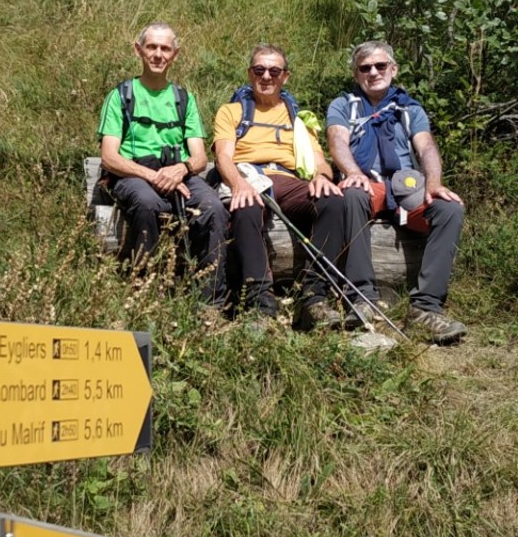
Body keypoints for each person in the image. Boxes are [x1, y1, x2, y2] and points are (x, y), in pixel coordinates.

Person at [326, 41, 466, 343]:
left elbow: (426, 146)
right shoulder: (344, 105)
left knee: (449, 209)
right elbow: (337, 140)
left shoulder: (409, 108)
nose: (373, 72)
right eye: (365, 68)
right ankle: (361, 296)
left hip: (406, 186)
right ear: (356, 74)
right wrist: (353, 173)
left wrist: (434, 183)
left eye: (380, 66)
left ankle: (426, 307)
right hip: (368, 183)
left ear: (393, 69)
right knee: (351, 195)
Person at [213, 43, 345, 330]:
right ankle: (260, 303)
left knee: (334, 201)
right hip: (248, 175)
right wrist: (238, 184)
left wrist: (323, 178)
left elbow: (320, 162)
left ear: (285, 76)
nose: (266, 76)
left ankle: (314, 298)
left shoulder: (298, 118)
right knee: (246, 206)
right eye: (259, 70)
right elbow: (223, 156)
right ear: (250, 73)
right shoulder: (232, 111)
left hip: (289, 179)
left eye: (274, 71)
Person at [97, 22, 229, 310]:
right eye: (152, 47)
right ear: (139, 50)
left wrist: (180, 169)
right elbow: (109, 156)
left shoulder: (184, 99)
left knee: (214, 208)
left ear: (175, 54)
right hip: (133, 172)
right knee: (148, 203)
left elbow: (199, 157)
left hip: (177, 172)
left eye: (165, 48)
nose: (158, 54)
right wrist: (153, 176)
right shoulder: (121, 95)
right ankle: (144, 293)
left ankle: (210, 304)